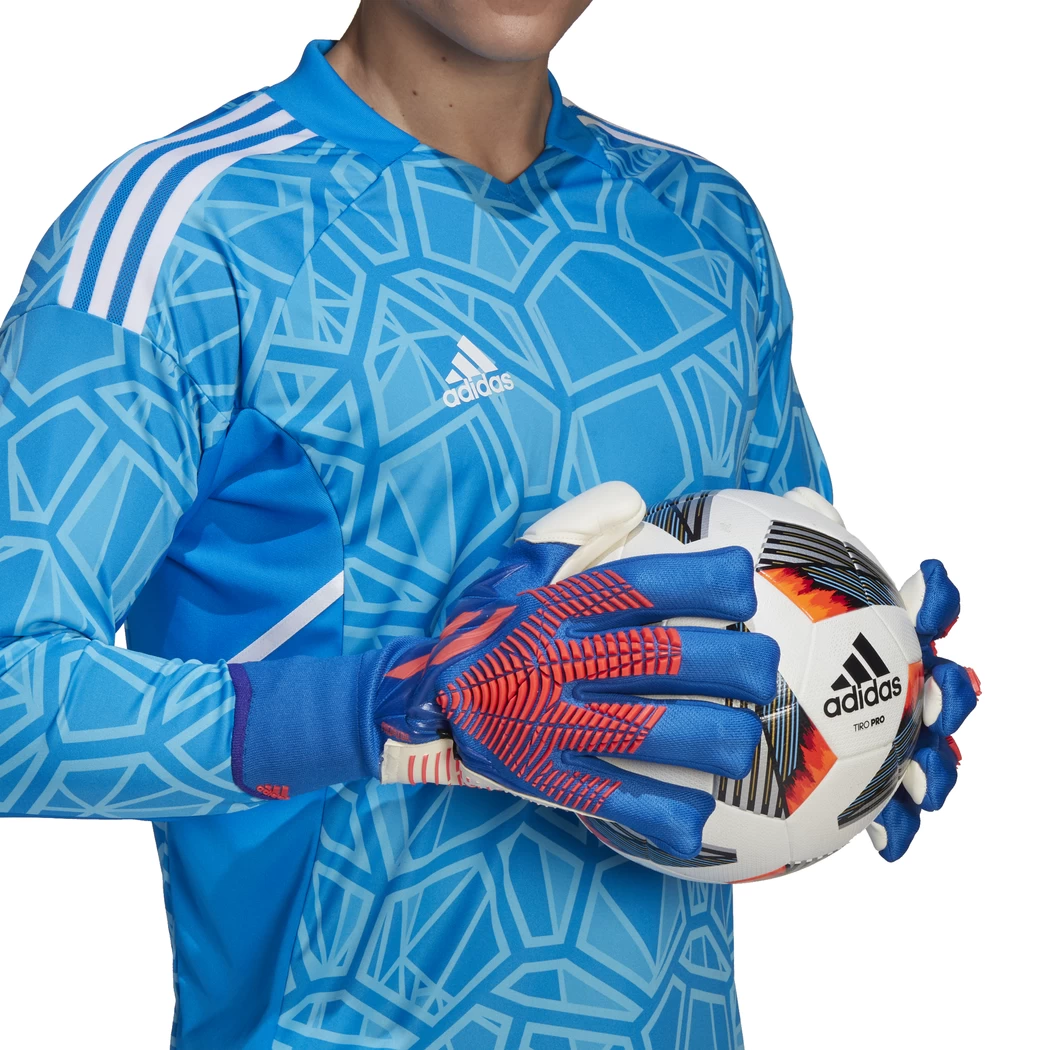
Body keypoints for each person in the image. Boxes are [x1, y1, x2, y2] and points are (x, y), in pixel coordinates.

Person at [0, 1, 978, 1047]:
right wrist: (386, 710)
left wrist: (863, 704)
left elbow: (775, 614)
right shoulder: (193, 232)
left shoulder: (703, 224)